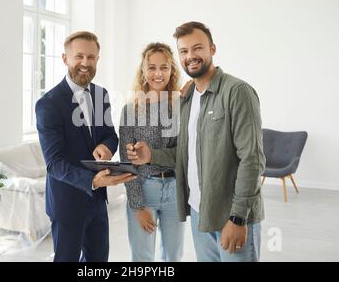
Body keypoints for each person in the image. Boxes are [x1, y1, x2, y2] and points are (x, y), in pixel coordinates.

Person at [127, 22, 265, 262]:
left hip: (230, 217)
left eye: (197, 48)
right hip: (201, 215)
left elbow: (252, 160)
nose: (190, 56)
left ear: (212, 49)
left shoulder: (237, 91)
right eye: (184, 51)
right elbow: (186, 153)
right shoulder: (189, 99)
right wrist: (152, 156)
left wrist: (238, 218)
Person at [36, 31, 136, 262]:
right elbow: (55, 164)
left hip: (97, 202)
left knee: (98, 261)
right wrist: (92, 180)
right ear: (65, 59)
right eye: (78, 56)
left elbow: (110, 135)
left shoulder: (101, 95)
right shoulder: (48, 104)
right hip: (67, 202)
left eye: (91, 57)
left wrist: (106, 146)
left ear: (97, 60)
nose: (85, 63)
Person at [120, 42, 185, 262]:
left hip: (175, 192)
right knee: (142, 259)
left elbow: (184, 153)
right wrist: (138, 206)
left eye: (164, 67)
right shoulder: (130, 110)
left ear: (172, 71)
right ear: (143, 71)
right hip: (144, 189)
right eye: (152, 67)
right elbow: (126, 162)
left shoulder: (181, 107)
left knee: (173, 256)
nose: (158, 73)